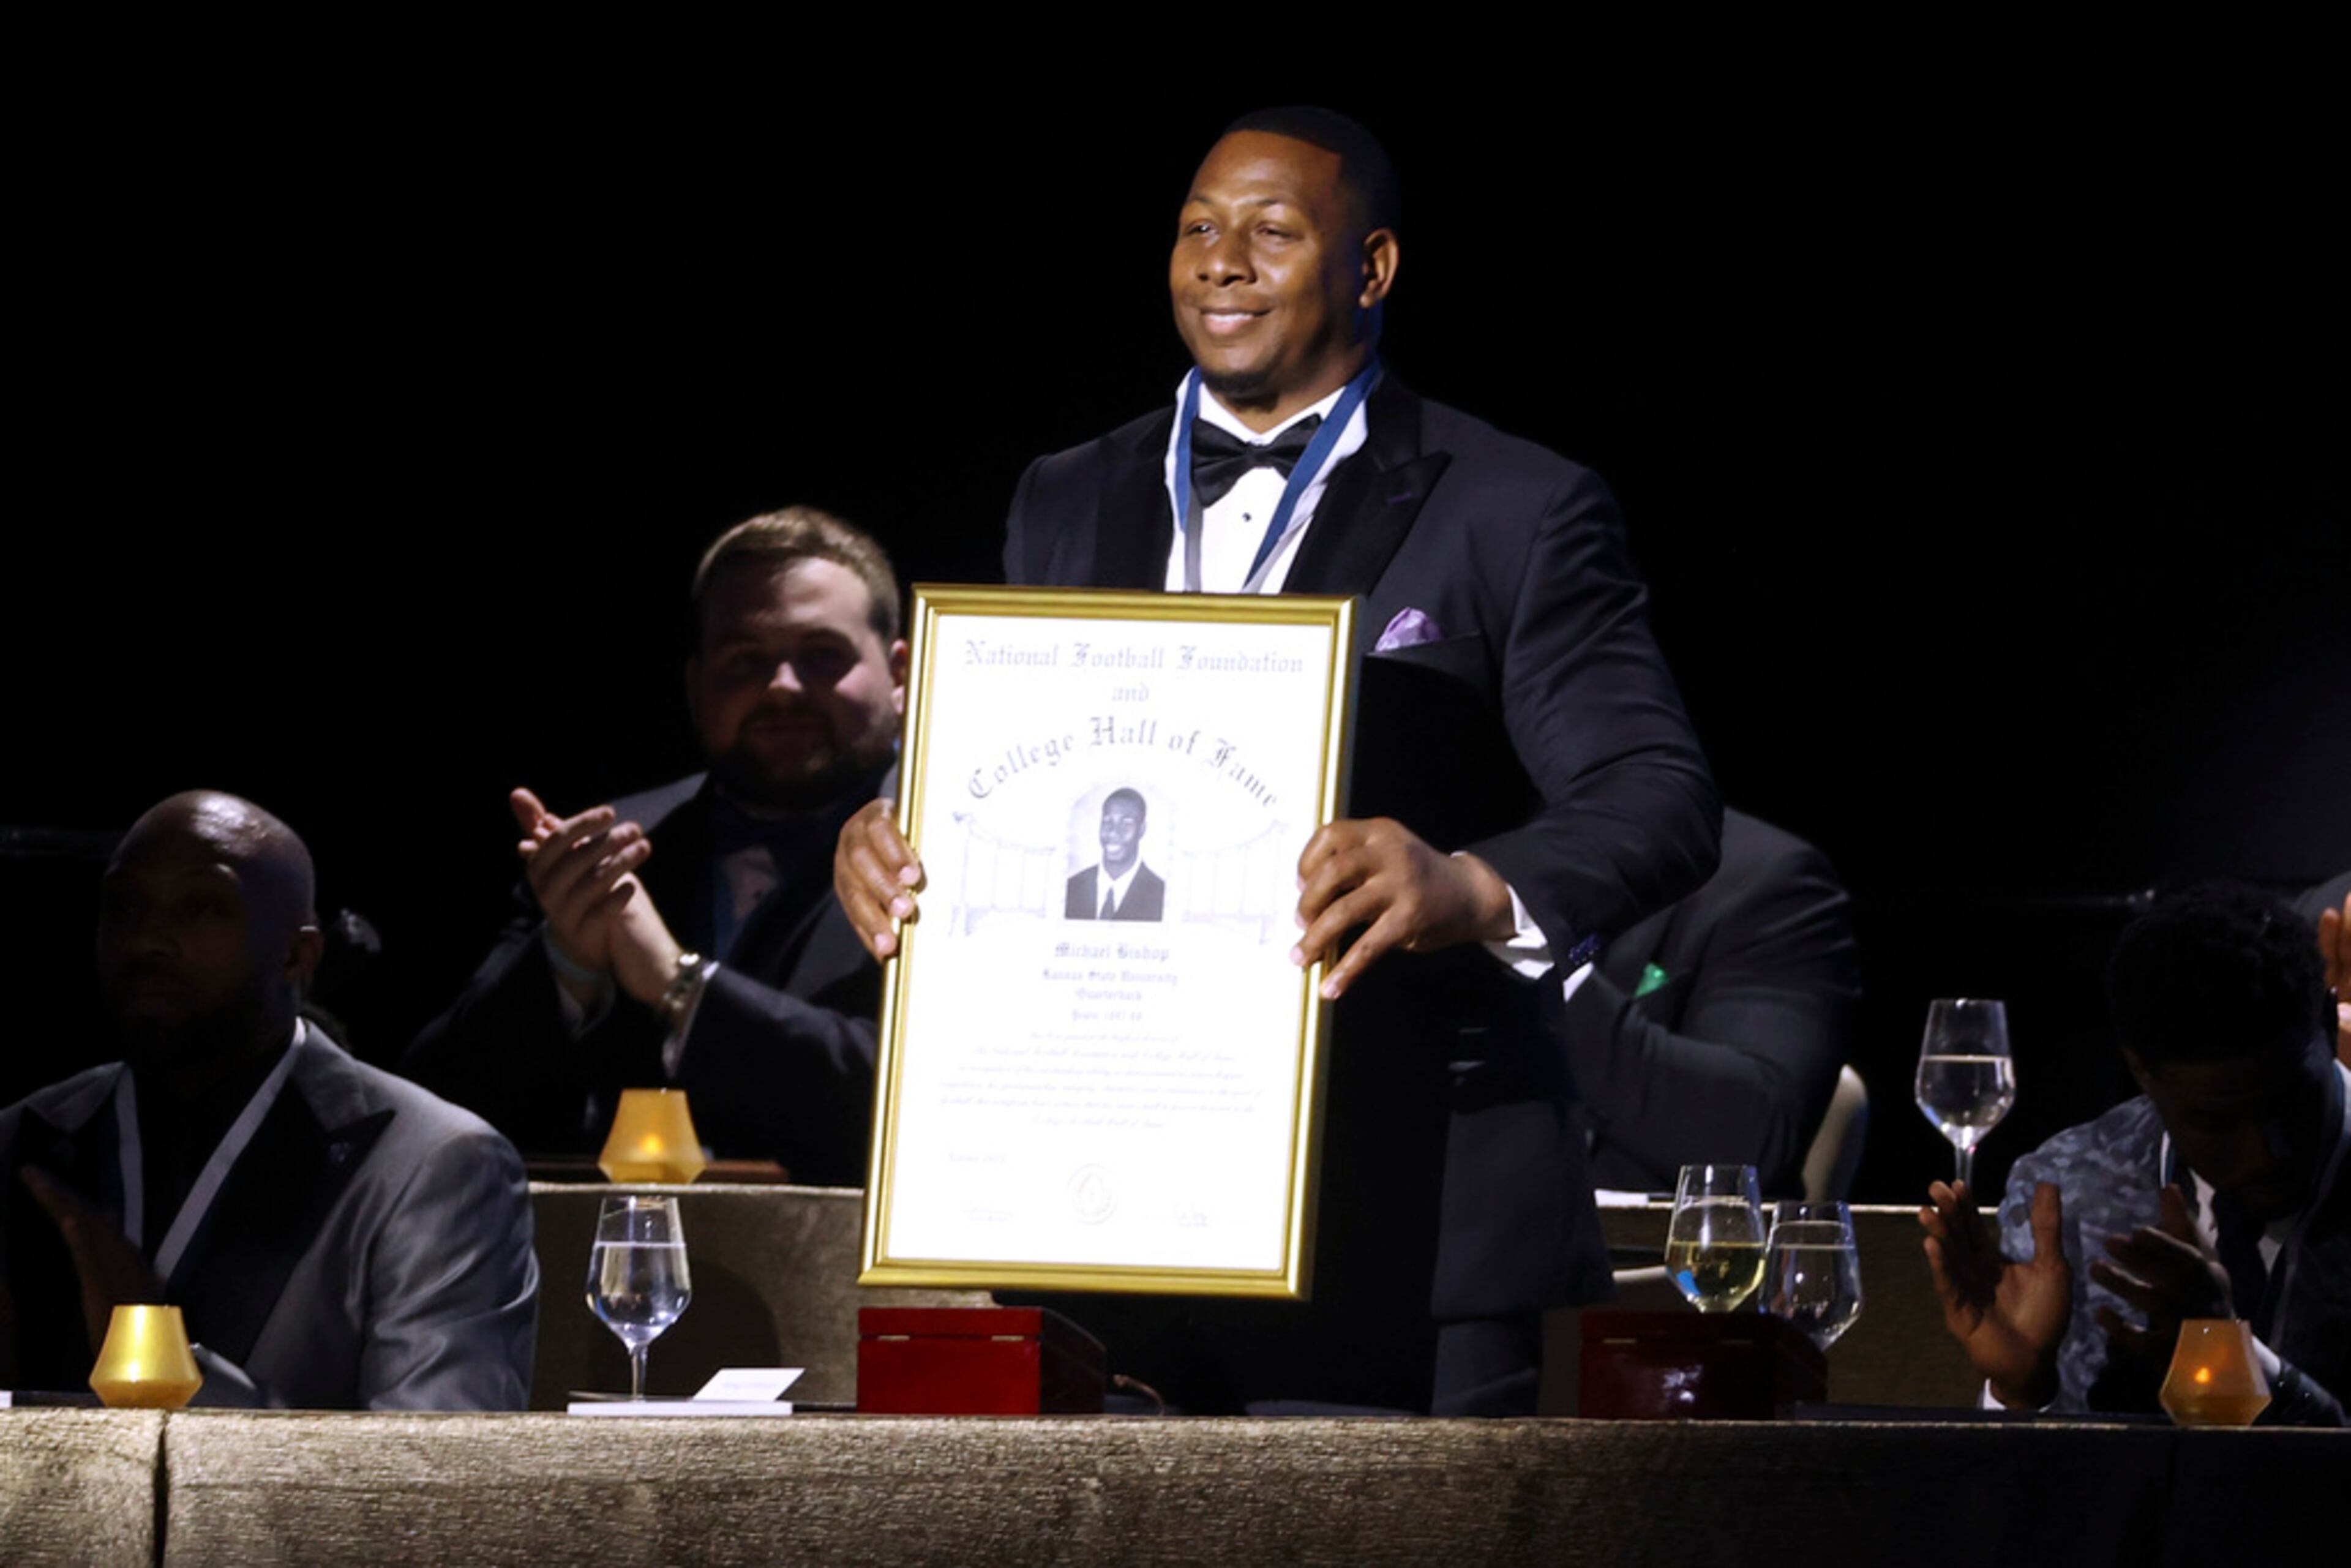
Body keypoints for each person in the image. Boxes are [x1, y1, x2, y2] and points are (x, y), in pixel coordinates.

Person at [836, 108, 1719, 1414]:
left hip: (1409, 1215)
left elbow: (1658, 793)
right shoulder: (1065, 492)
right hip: (1110, 1223)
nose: (1221, 261)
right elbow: (1023, 755)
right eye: (1198, 228)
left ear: (1372, 269)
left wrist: (1471, 883)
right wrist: (894, 821)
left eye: (1272, 230)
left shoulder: (1516, 505)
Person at [406, 508, 905, 1187]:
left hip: (851, 1278)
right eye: (744, 661)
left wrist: (679, 986)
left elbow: (919, 1108)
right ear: (696, 688)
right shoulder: (612, 845)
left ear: (900, 673)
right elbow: (439, 1114)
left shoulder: (943, 843)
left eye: (821, 654)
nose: (782, 685)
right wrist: (565, 967)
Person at [0, 792, 538, 1409]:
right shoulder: (23, 1138)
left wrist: (170, 1370)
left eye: (200, 907)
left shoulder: (436, 1165)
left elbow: (439, 1479)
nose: (147, 937)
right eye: (124, 904)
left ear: (296, 954)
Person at [1919, 886, 2349, 1425]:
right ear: (2142, 1073)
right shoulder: (2071, 1192)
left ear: (2331, 1025)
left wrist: (2235, 1362)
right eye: (2214, 1122)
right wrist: (2021, 1395)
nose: (2267, 1151)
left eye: (2291, 1102)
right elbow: (2061, 1497)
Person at [1560, 809, 1858, 1196]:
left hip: (1644, 1250)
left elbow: (1749, 1145)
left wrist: (1534, 957)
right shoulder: (1482, 838)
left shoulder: (1768, 878)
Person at [1065, 789, 1164, 921]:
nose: (1113, 832)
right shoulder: (1071, 888)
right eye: (1107, 822)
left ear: (1141, 830)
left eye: (1126, 824)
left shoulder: (1161, 895)